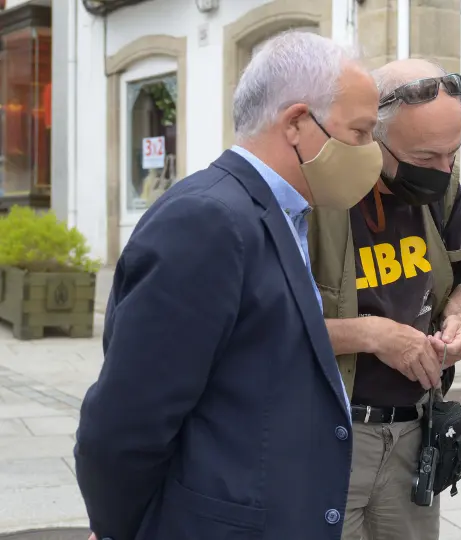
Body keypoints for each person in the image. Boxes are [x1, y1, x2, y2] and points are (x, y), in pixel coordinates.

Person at [74, 32, 380, 540]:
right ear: (298, 123)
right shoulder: (209, 220)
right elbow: (124, 426)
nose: (371, 152)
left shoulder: (283, 215)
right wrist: (120, 528)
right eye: (361, 132)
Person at [308, 59, 461, 540]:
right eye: (426, 159)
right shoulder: (315, 198)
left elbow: (455, 283)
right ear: (371, 136)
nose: (443, 171)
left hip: (414, 434)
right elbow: (270, 327)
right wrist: (372, 335)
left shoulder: (442, 189)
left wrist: (457, 318)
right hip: (332, 435)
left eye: (453, 154)